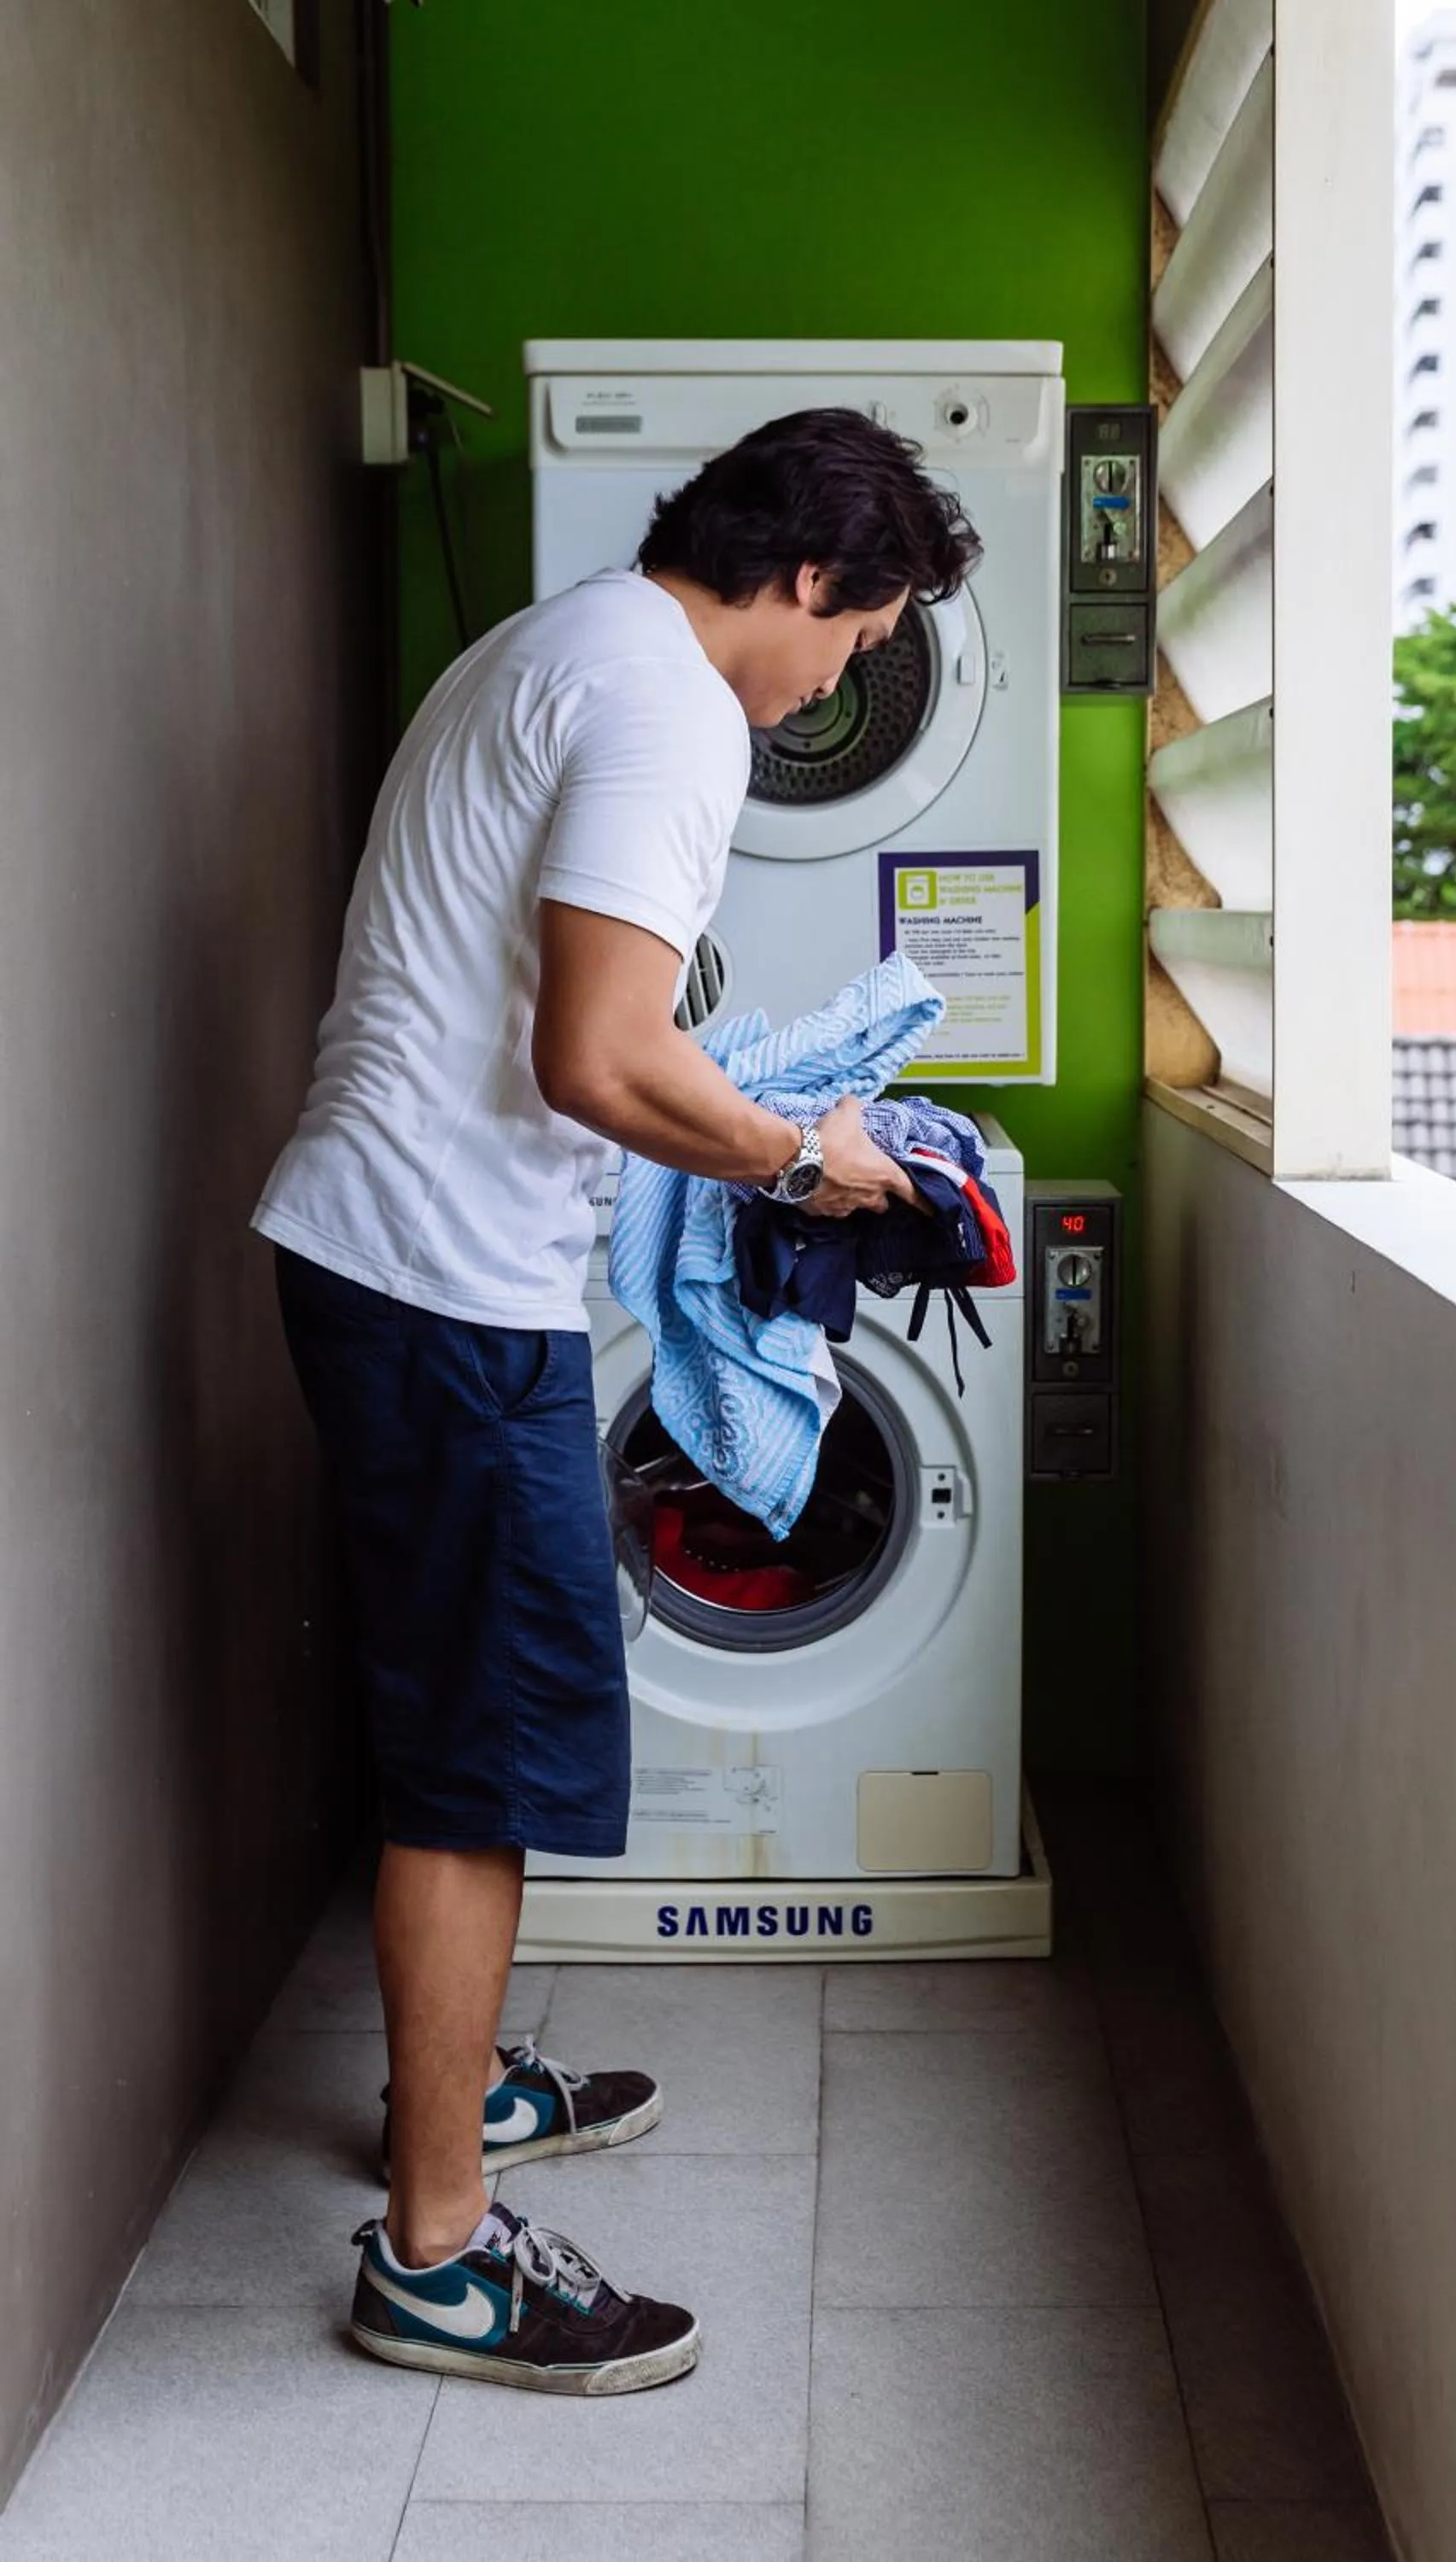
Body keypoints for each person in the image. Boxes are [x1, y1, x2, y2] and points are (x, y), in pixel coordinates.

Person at [252, 407, 980, 2394]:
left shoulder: (558, 642)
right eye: (865, 634)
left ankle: (461, 2093)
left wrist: (732, 1113)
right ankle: (436, 2257)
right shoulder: (672, 709)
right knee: (477, 1765)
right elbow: (598, 1051)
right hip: (438, 1280)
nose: (846, 676)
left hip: (395, 1250)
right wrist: (798, 1163)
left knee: (468, 1725)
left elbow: (568, 1020)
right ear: (815, 574)